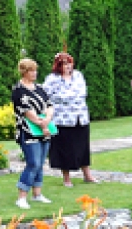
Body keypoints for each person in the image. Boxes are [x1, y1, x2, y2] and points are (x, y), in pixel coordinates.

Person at [43, 52, 96, 187]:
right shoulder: (52, 79)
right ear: (58, 65)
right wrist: (67, 97)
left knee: (83, 147)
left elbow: (82, 92)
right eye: (64, 64)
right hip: (62, 120)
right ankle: (66, 178)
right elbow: (46, 96)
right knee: (64, 148)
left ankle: (87, 175)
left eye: (69, 63)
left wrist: (66, 96)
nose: (67, 66)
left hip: (80, 117)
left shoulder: (78, 76)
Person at [12, 58, 55, 210]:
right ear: (24, 72)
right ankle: (22, 197)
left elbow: (49, 105)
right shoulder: (18, 90)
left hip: (45, 129)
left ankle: (37, 194)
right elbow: (26, 112)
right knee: (33, 162)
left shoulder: (39, 88)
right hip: (28, 131)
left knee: (41, 163)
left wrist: (48, 119)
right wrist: (41, 123)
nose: (34, 73)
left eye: (35, 70)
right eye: (31, 71)